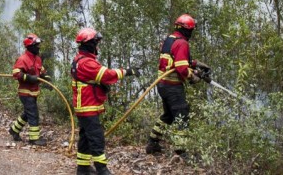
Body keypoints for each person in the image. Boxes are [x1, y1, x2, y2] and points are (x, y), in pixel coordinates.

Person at [71, 27, 137, 175]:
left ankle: (83, 168)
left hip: (85, 105)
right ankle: (102, 169)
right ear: (89, 44)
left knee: (86, 137)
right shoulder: (86, 63)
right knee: (96, 138)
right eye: (96, 43)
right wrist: (127, 71)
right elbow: (106, 75)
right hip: (87, 106)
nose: (97, 46)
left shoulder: (81, 59)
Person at [145, 14, 209, 161]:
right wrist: (194, 77)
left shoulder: (169, 39)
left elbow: (176, 59)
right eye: (191, 30)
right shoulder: (182, 43)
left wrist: (196, 64)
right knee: (182, 116)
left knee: (168, 115)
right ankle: (181, 152)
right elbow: (181, 68)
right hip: (173, 86)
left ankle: (152, 143)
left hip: (163, 85)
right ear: (187, 30)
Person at [8, 33, 47, 146]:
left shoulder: (37, 59)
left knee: (27, 113)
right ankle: (34, 139)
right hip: (25, 93)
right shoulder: (22, 59)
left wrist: (47, 79)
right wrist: (29, 77)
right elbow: (16, 74)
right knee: (33, 114)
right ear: (30, 46)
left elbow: (42, 71)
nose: (39, 47)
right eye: (37, 45)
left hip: (34, 92)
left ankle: (14, 130)